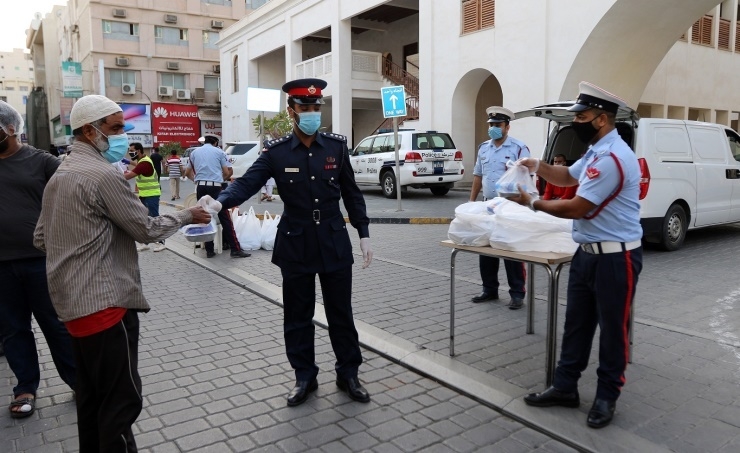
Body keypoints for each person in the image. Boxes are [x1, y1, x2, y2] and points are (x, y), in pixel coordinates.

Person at [33, 94, 211, 452]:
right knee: (121, 401)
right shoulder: (101, 175)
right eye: (115, 129)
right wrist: (187, 215)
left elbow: (41, 238)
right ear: (89, 130)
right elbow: (146, 230)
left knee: (92, 398)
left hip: (72, 305)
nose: (122, 137)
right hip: (106, 306)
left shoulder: (62, 173)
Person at [214, 77, 373, 407]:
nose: (313, 113)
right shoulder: (276, 152)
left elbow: (352, 194)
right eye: (306, 108)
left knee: (341, 313)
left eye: (317, 107)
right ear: (292, 111)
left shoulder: (336, 147)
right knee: (297, 317)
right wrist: (220, 202)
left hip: (333, 239)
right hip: (296, 242)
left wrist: (364, 233)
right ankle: (305, 377)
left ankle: (348, 374)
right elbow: (247, 184)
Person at [510, 82, 643, 429]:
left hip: (616, 259)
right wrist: (536, 165)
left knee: (613, 330)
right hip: (586, 254)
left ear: (601, 119)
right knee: (577, 325)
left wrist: (534, 203)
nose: (576, 123)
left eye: (581, 117)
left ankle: (606, 396)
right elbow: (567, 176)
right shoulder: (598, 150)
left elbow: (577, 207)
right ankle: (565, 387)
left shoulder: (614, 157)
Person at [0, 101, 76, 419]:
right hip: (1, 267)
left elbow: (74, 194)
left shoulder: (42, 161)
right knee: (13, 330)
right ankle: (25, 389)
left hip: (41, 260)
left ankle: (80, 382)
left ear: (10, 128)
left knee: (56, 326)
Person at [468, 106, 529, 310]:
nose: (493, 128)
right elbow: (478, 175)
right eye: (491, 125)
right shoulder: (483, 148)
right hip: (487, 205)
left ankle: (517, 293)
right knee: (486, 248)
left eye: (497, 125)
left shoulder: (519, 148)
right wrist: (471, 202)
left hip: (510, 206)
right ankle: (489, 289)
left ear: (507, 127)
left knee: (510, 249)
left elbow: (525, 179)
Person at [185, 135, 250, 258]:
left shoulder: (194, 153)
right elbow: (227, 172)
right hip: (215, 187)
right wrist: (220, 180)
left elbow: (187, 172)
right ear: (215, 142)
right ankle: (235, 249)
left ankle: (209, 250)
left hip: (200, 187)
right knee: (224, 217)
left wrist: (196, 180)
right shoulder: (219, 152)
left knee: (205, 217)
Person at [125, 143, 166, 252]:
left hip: (151, 194)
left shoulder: (144, 163)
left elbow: (129, 176)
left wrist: (112, 175)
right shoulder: (143, 160)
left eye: (132, 150)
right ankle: (145, 243)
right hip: (145, 194)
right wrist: (128, 162)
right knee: (144, 219)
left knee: (154, 219)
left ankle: (161, 242)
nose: (130, 152)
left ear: (138, 151)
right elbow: (137, 165)